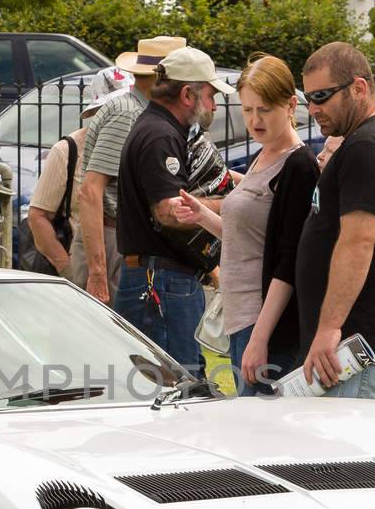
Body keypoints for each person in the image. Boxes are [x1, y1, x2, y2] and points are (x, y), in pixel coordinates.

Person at [173, 54, 318, 394]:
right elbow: (250, 240)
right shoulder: (263, 155)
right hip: (241, 318)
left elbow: (287, 258)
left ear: (290, 106)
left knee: (260, 432)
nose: (254, 119)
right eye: (247, 109)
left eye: (264, 109)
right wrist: (201, 215)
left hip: (265, 323)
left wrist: (261, 336)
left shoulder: (297, 166)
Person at [295, 41, 375, 400]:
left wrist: (330, 327)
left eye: (322, 96)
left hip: (359, 346)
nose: (314, 109)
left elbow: (358, 242)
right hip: (358, 345)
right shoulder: (370, 140)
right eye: (308, 99)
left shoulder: (369, 146)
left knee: (350, 455)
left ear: (359, 87)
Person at [114, 46, 232, 375]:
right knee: (180, 383)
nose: (213, 105)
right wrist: (238, 204)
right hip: (162, 280)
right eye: (209, 95)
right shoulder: (159, 135)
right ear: (186, 94)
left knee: (173, 381)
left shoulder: (160, 129)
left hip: (163, 278)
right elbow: (167, 211)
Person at [76, 36, 186, 304]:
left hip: (117, 240)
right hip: (111, 242)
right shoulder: (128, 113)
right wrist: (98, 272)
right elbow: (91, 191)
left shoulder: (137, 108)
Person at [24, 66, 132, 284]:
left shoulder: (140, 145)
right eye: (110, 108)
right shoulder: (67, 150)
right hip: (87, 263)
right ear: (95, 113)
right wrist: (69, 270)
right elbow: (38, 217)